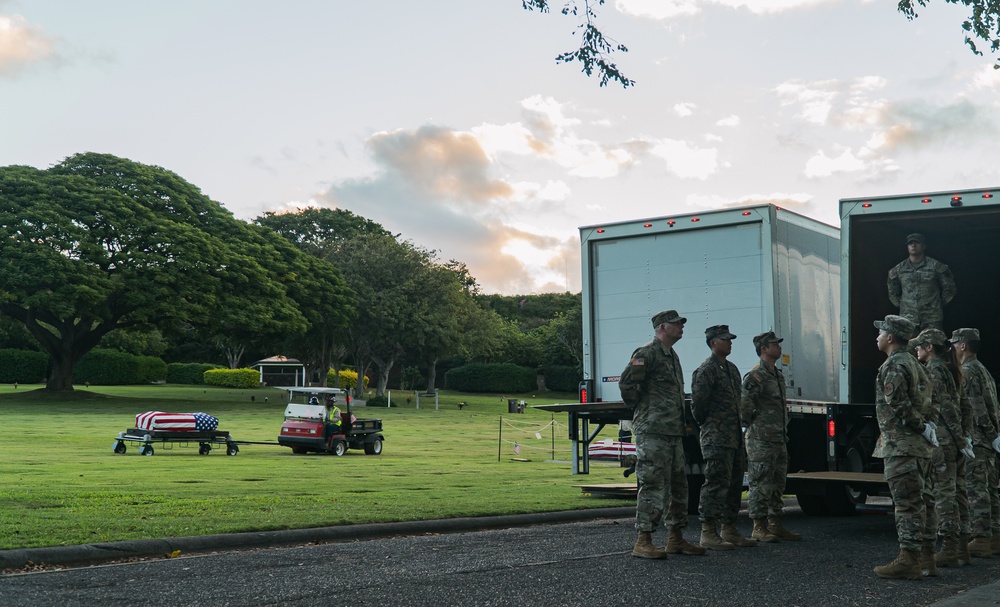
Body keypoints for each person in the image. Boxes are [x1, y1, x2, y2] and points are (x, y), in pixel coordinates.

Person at [618, 309, 705, 559]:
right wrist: (641, 407)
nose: (682, 327)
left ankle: (675, 538)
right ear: (662, 327)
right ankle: (643, 540)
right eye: (677, 324)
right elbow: (626, 383)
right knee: (653, 483)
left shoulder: (672, 356)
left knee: (679, 486)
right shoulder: (646, 353)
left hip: (672, 431)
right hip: (653, 430)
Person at [872, 315, 938, 580]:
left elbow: (897, 404)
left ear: (890, 337)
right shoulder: (917, 364)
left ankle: (909, 560)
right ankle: (927, 558)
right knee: (925, 502)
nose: (876, 336)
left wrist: (920, 426)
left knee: (907, 505)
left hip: (902, 445)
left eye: (881, 332)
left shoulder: (895, 364)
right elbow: (933, 401)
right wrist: (928, 426)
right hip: (920, 448)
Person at [691, 324, 755, 550]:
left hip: (734, 437)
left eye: (730, 339)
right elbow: (698, 405)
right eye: (726, 339)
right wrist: (709, 425)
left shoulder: (732, 369)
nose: (730, 342)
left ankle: (729, 528)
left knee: (735, 483)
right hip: (716, 437)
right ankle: (708, 531)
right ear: (713, 343)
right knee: (716, 483)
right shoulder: (706, 370)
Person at [911, 328, 969, 574]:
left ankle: (948, 549)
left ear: (929, 347)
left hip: (943, 440)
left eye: (920, 345)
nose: (916, 349)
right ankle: (961, 548)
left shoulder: (933, 370)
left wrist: (957, 438)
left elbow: (946, 407)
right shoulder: (947, 368)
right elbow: (963, 406)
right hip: (952, 440)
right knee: (956, 493)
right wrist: (963, 438)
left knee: (943, 494)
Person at [740, 331, 800, 543]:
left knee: (777, 482)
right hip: (761, 439)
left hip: (778, 438)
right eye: (775, 344)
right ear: (764, 348)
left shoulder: (776, 374)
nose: (779, 347)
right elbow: (745, 406)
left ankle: (775, 523)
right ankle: (759, 526)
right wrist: (752, 428)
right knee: (760, 482)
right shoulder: (757, 375)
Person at [950, 327, 1000, 558]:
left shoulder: (968, 371)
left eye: (954, 343)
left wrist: (989, 434)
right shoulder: (982, 370)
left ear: (963, 345)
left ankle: (981, 539)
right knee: (989, 490)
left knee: (977, 490)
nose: (951, 347)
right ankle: (994, 537)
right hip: (988, 441)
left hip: (978, 439)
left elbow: (976, 408)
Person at [887, 233, 956, 331]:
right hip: (908, 318)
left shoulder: (936, 266)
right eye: (910, 243)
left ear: (924, 246)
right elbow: (892, 292)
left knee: (933, 345)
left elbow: (949, 289)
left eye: (917, 242)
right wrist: (906, 306)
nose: (913, 245)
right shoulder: (898, 269)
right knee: (909, 345)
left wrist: (936, 305)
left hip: (932, 318)